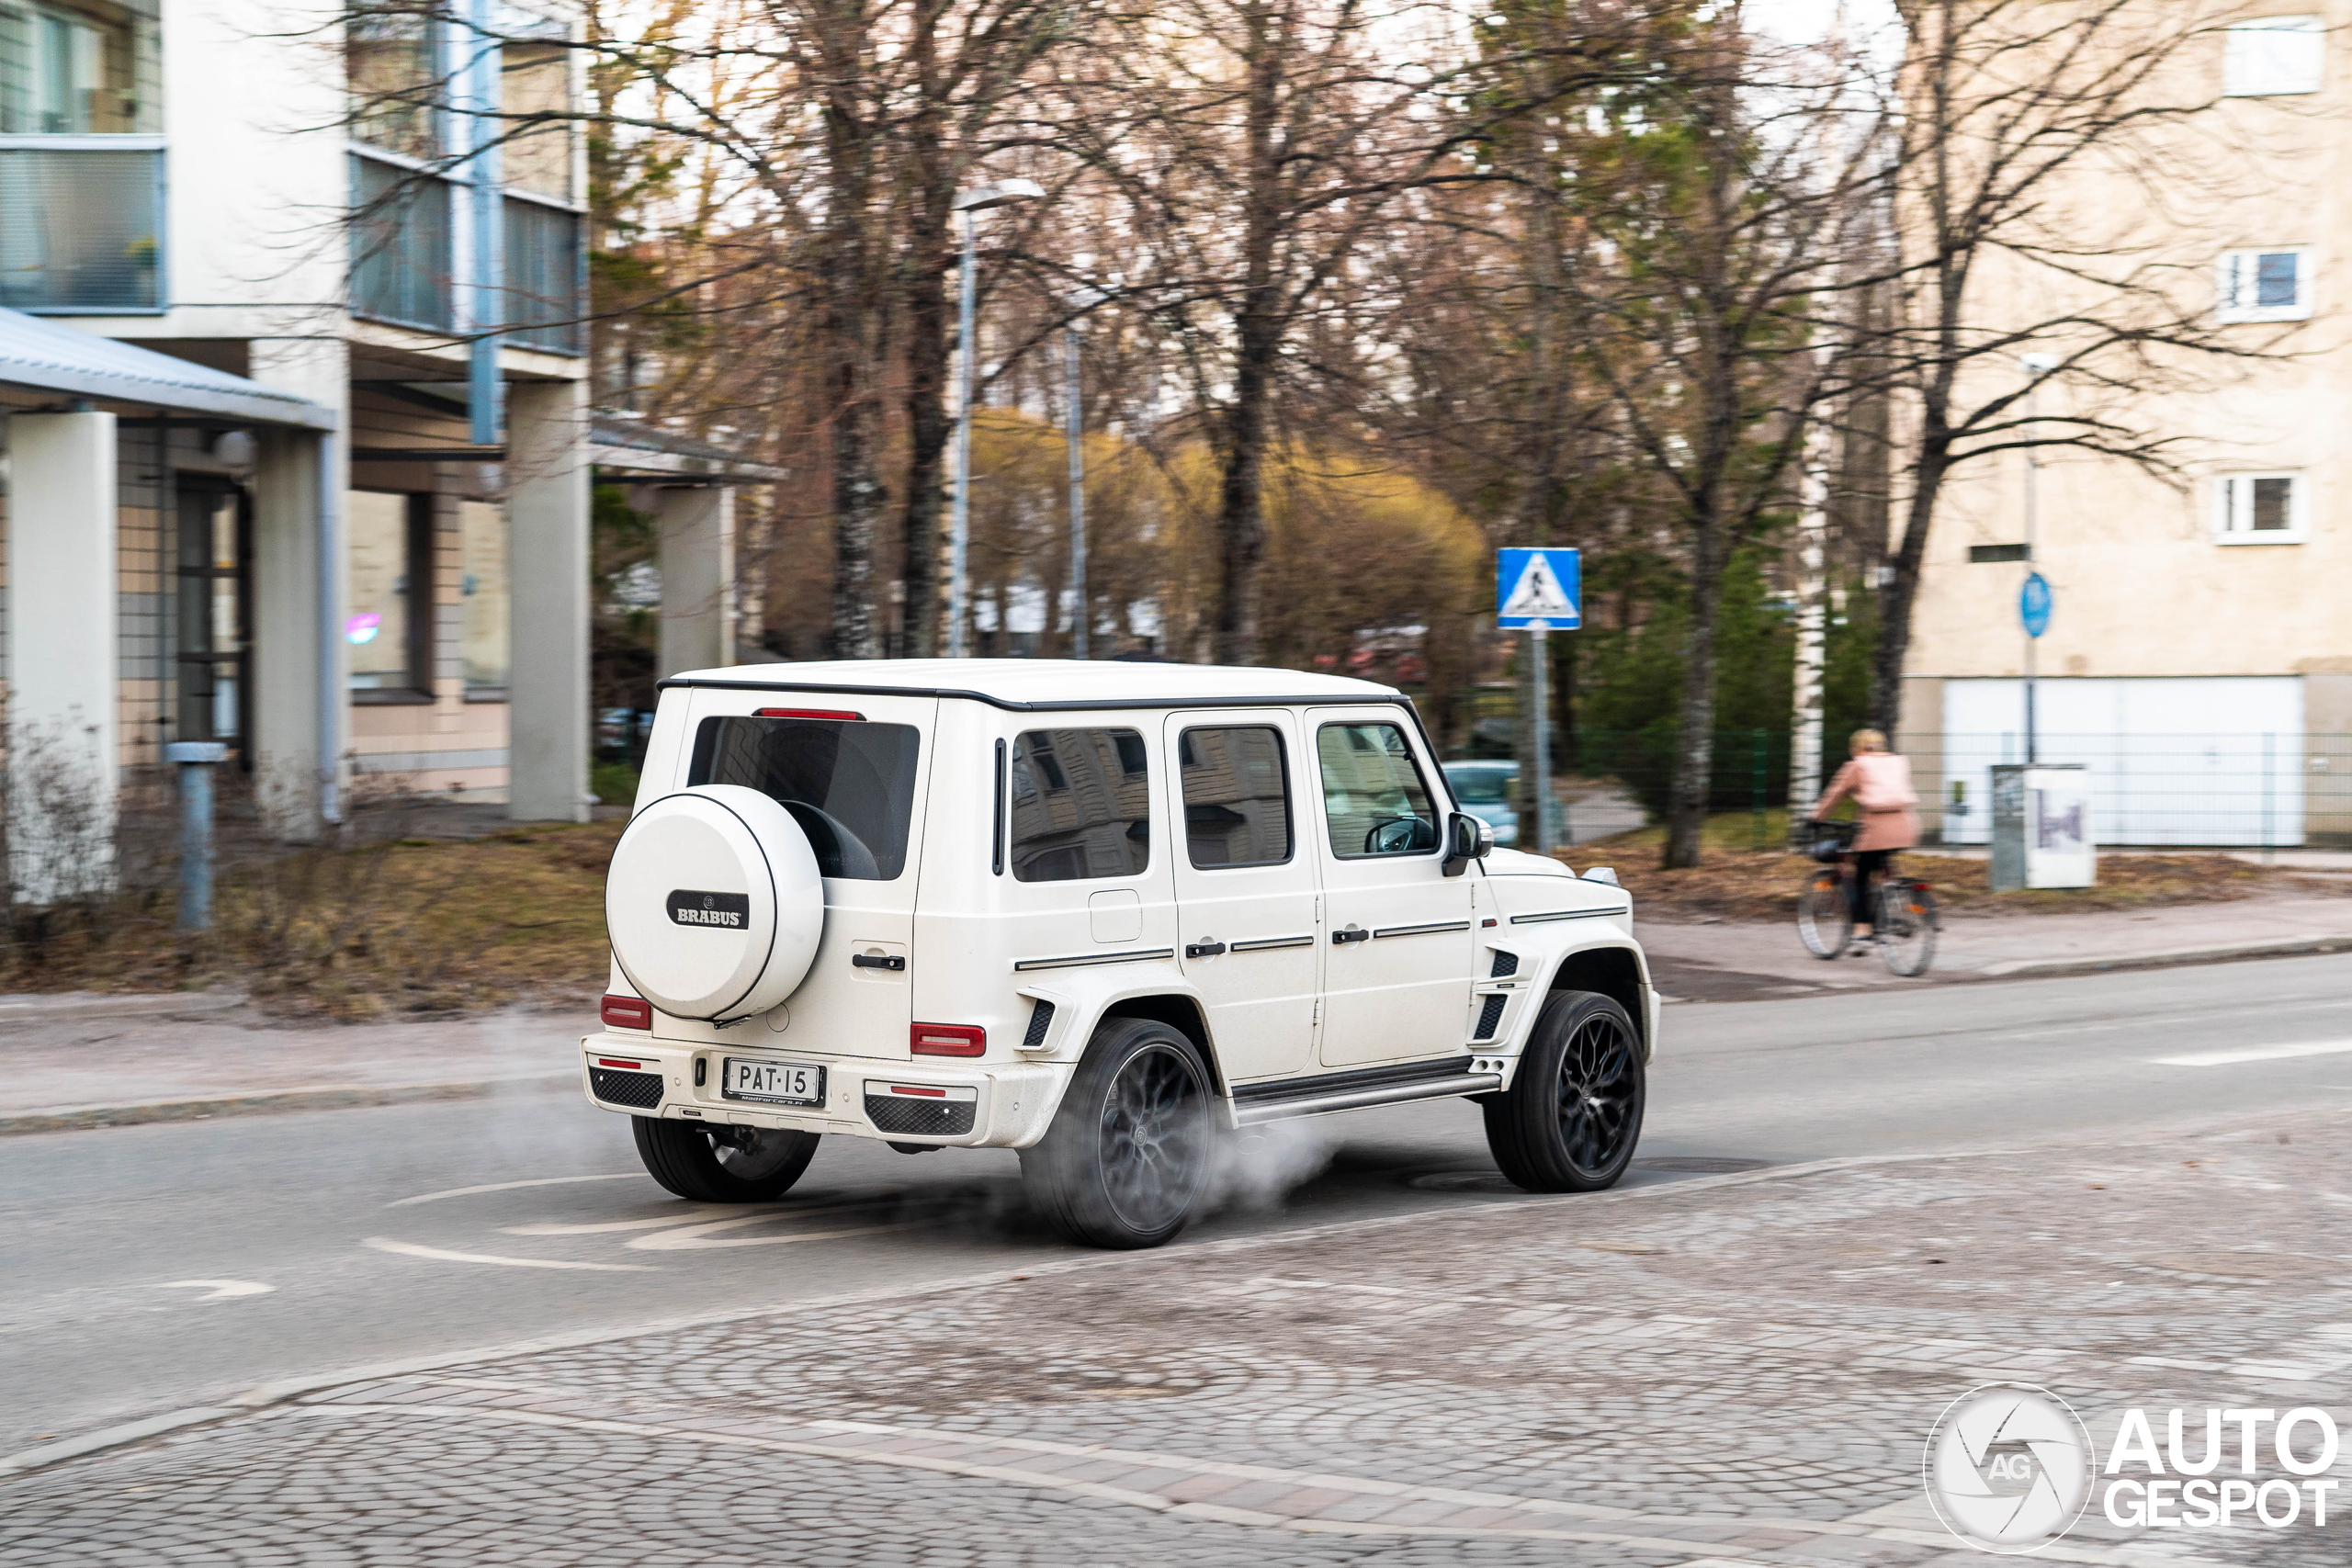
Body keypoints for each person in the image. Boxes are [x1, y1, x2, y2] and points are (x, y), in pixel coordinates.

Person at [1812, 728, 1918, 947]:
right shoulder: (1895, 763)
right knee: (1880, 865)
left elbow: (1834, 795)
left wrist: (1815, 818)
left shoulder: (1858, 765)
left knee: (1859, 876)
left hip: (1876, 829)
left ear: (1856, 748)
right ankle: (1893, 901)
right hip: (1906, 827)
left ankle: (1862, 931)